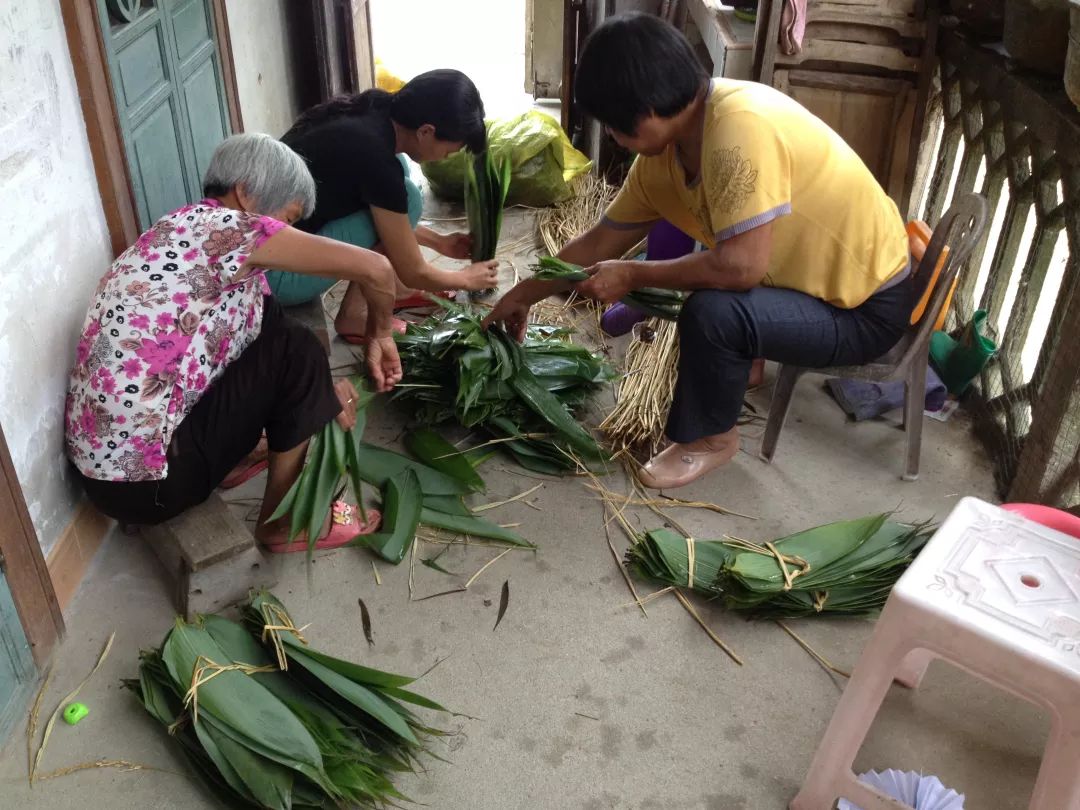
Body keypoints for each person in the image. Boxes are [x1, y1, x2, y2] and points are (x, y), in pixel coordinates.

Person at [483, 13, 912, 490]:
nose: (617, 138)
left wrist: (632, 276)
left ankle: (710, 439)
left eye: (614, 124)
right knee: (709, 297)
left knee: (715, 311)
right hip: (803, 287)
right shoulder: (665, 154)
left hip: (863, 308)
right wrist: (526, 291)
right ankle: (730, 383)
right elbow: (603, 239)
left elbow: (741, 267)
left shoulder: (738, 128)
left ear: (645, 109)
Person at [65, 133, 402, 552]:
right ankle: (285, 523)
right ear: (244, 193)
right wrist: (380, 334)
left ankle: (234, 459)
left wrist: (321, 394)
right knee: (298, 348)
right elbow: (378, 269)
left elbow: (265, 333)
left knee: (284, 341)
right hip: (150, 483)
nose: (288, 232)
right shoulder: (226, 230)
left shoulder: (179, 231)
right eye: (288, 219)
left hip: (110, 479)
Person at [269, 69, 500, 342]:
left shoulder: (377, 110)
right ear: (426, 131)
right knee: (408, 197)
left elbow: (386, 217)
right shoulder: (375, 159)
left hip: (265, 244)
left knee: (400, 173)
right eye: (448, 151)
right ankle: (355, 315)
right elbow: (413, 270)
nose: (443, 158)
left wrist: (438, 242)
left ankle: (395, 290)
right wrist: (465, 278)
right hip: (274, 275)